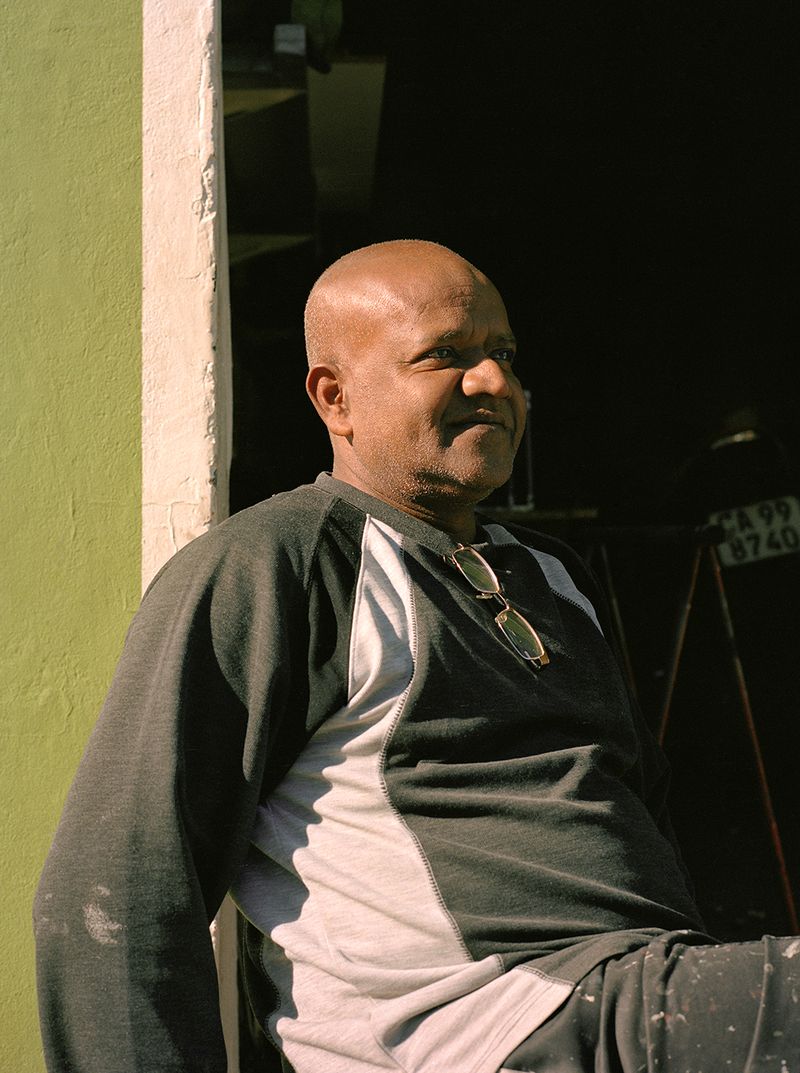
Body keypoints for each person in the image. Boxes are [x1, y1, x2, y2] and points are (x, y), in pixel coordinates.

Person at [34, 239, 800, 1073]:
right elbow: (118, 891)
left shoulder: (553, 576)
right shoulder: (275, 563)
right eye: (445, 355)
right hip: (479, 1025)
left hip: (637, 994)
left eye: (503, 353)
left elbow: (641, 813)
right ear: (337, 398)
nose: (495, 382)